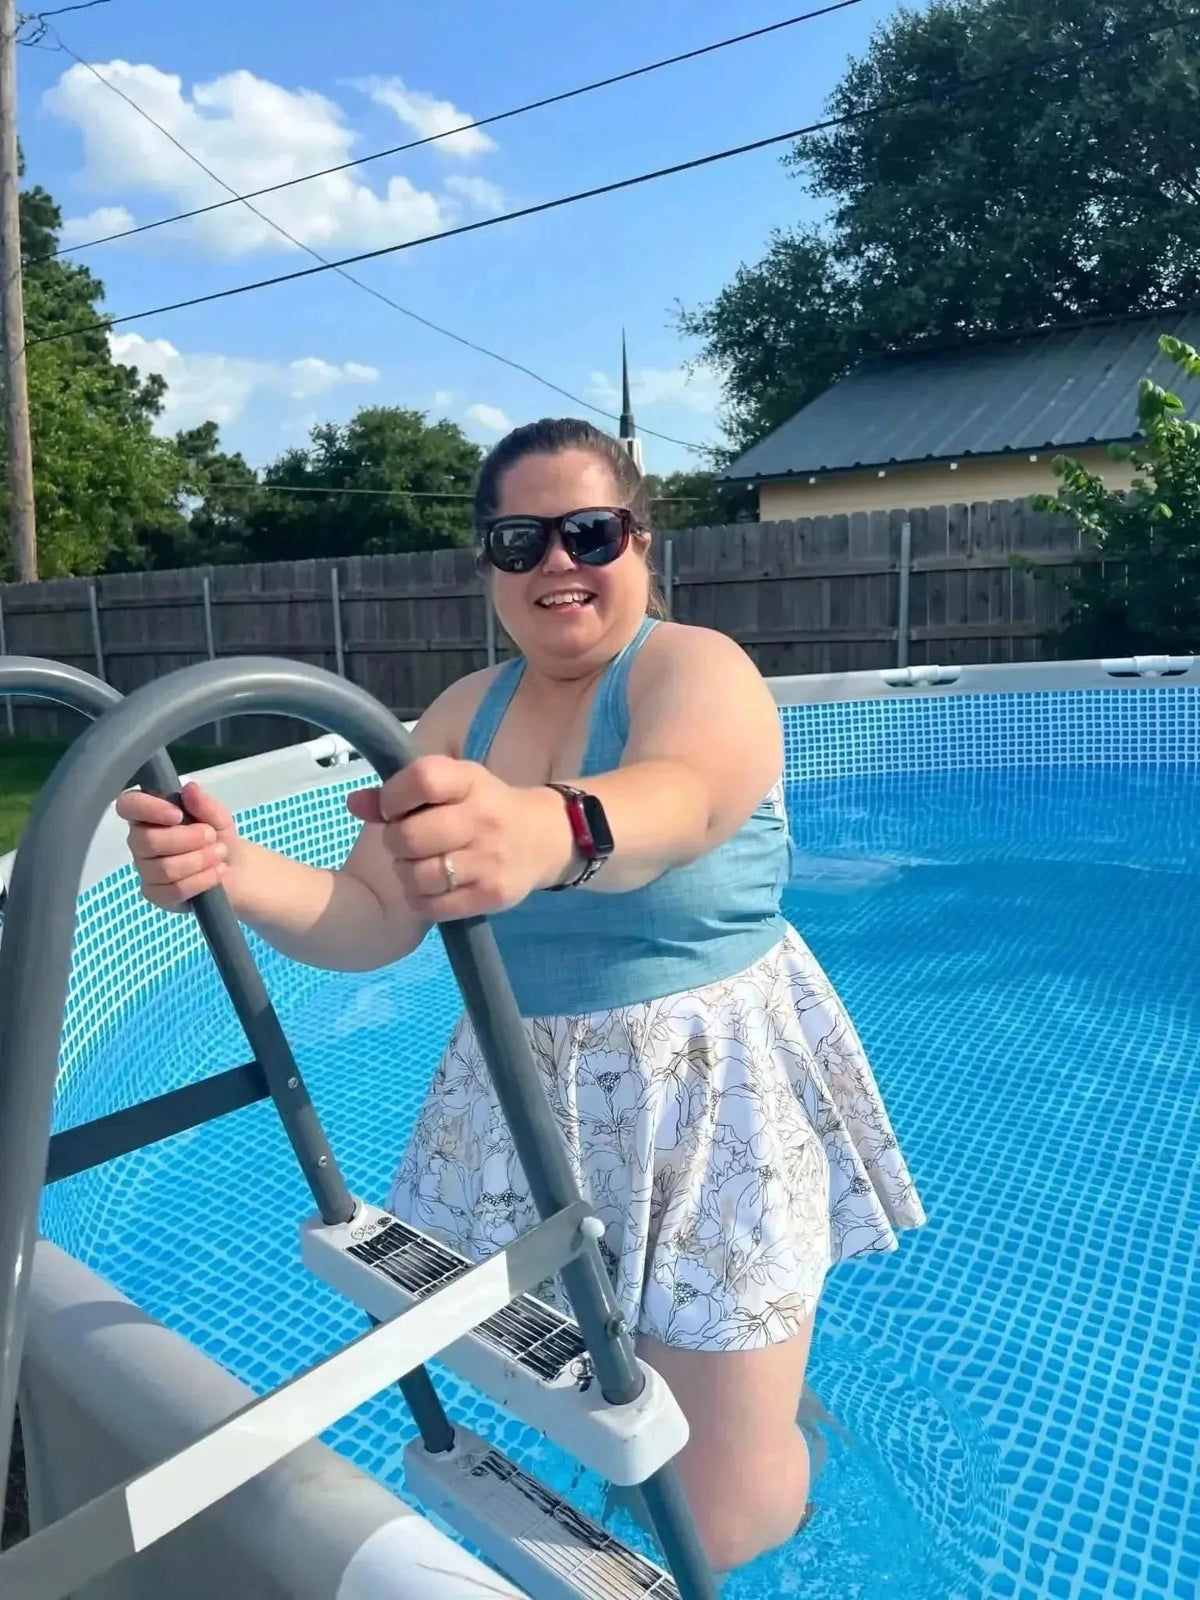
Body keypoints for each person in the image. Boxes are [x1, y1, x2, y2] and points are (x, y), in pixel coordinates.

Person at [117, 418, 925, 1574]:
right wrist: (229, 867)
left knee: (725, 1521)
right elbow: (369, 921)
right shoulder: (460, 719)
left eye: (590, 531)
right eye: (520, 538)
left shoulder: (697, 669)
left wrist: (550, 827)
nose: (559, 561)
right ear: (488, 565)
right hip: (533, 1104)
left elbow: (682, 798)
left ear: (642, 545)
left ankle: (783, 1426)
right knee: (610, 1416)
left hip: (712, 1108)